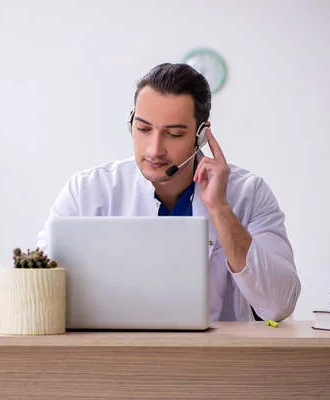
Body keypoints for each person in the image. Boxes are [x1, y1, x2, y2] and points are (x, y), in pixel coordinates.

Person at [36, 63, 300, 322]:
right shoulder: (87, 191)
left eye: (173, 134)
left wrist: (220, 209)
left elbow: (279, 306)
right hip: (115, 354)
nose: (154, 149)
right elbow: (41, 290)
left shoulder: (249, 193)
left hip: (218, 359)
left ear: (201, 136)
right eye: (143, 129)